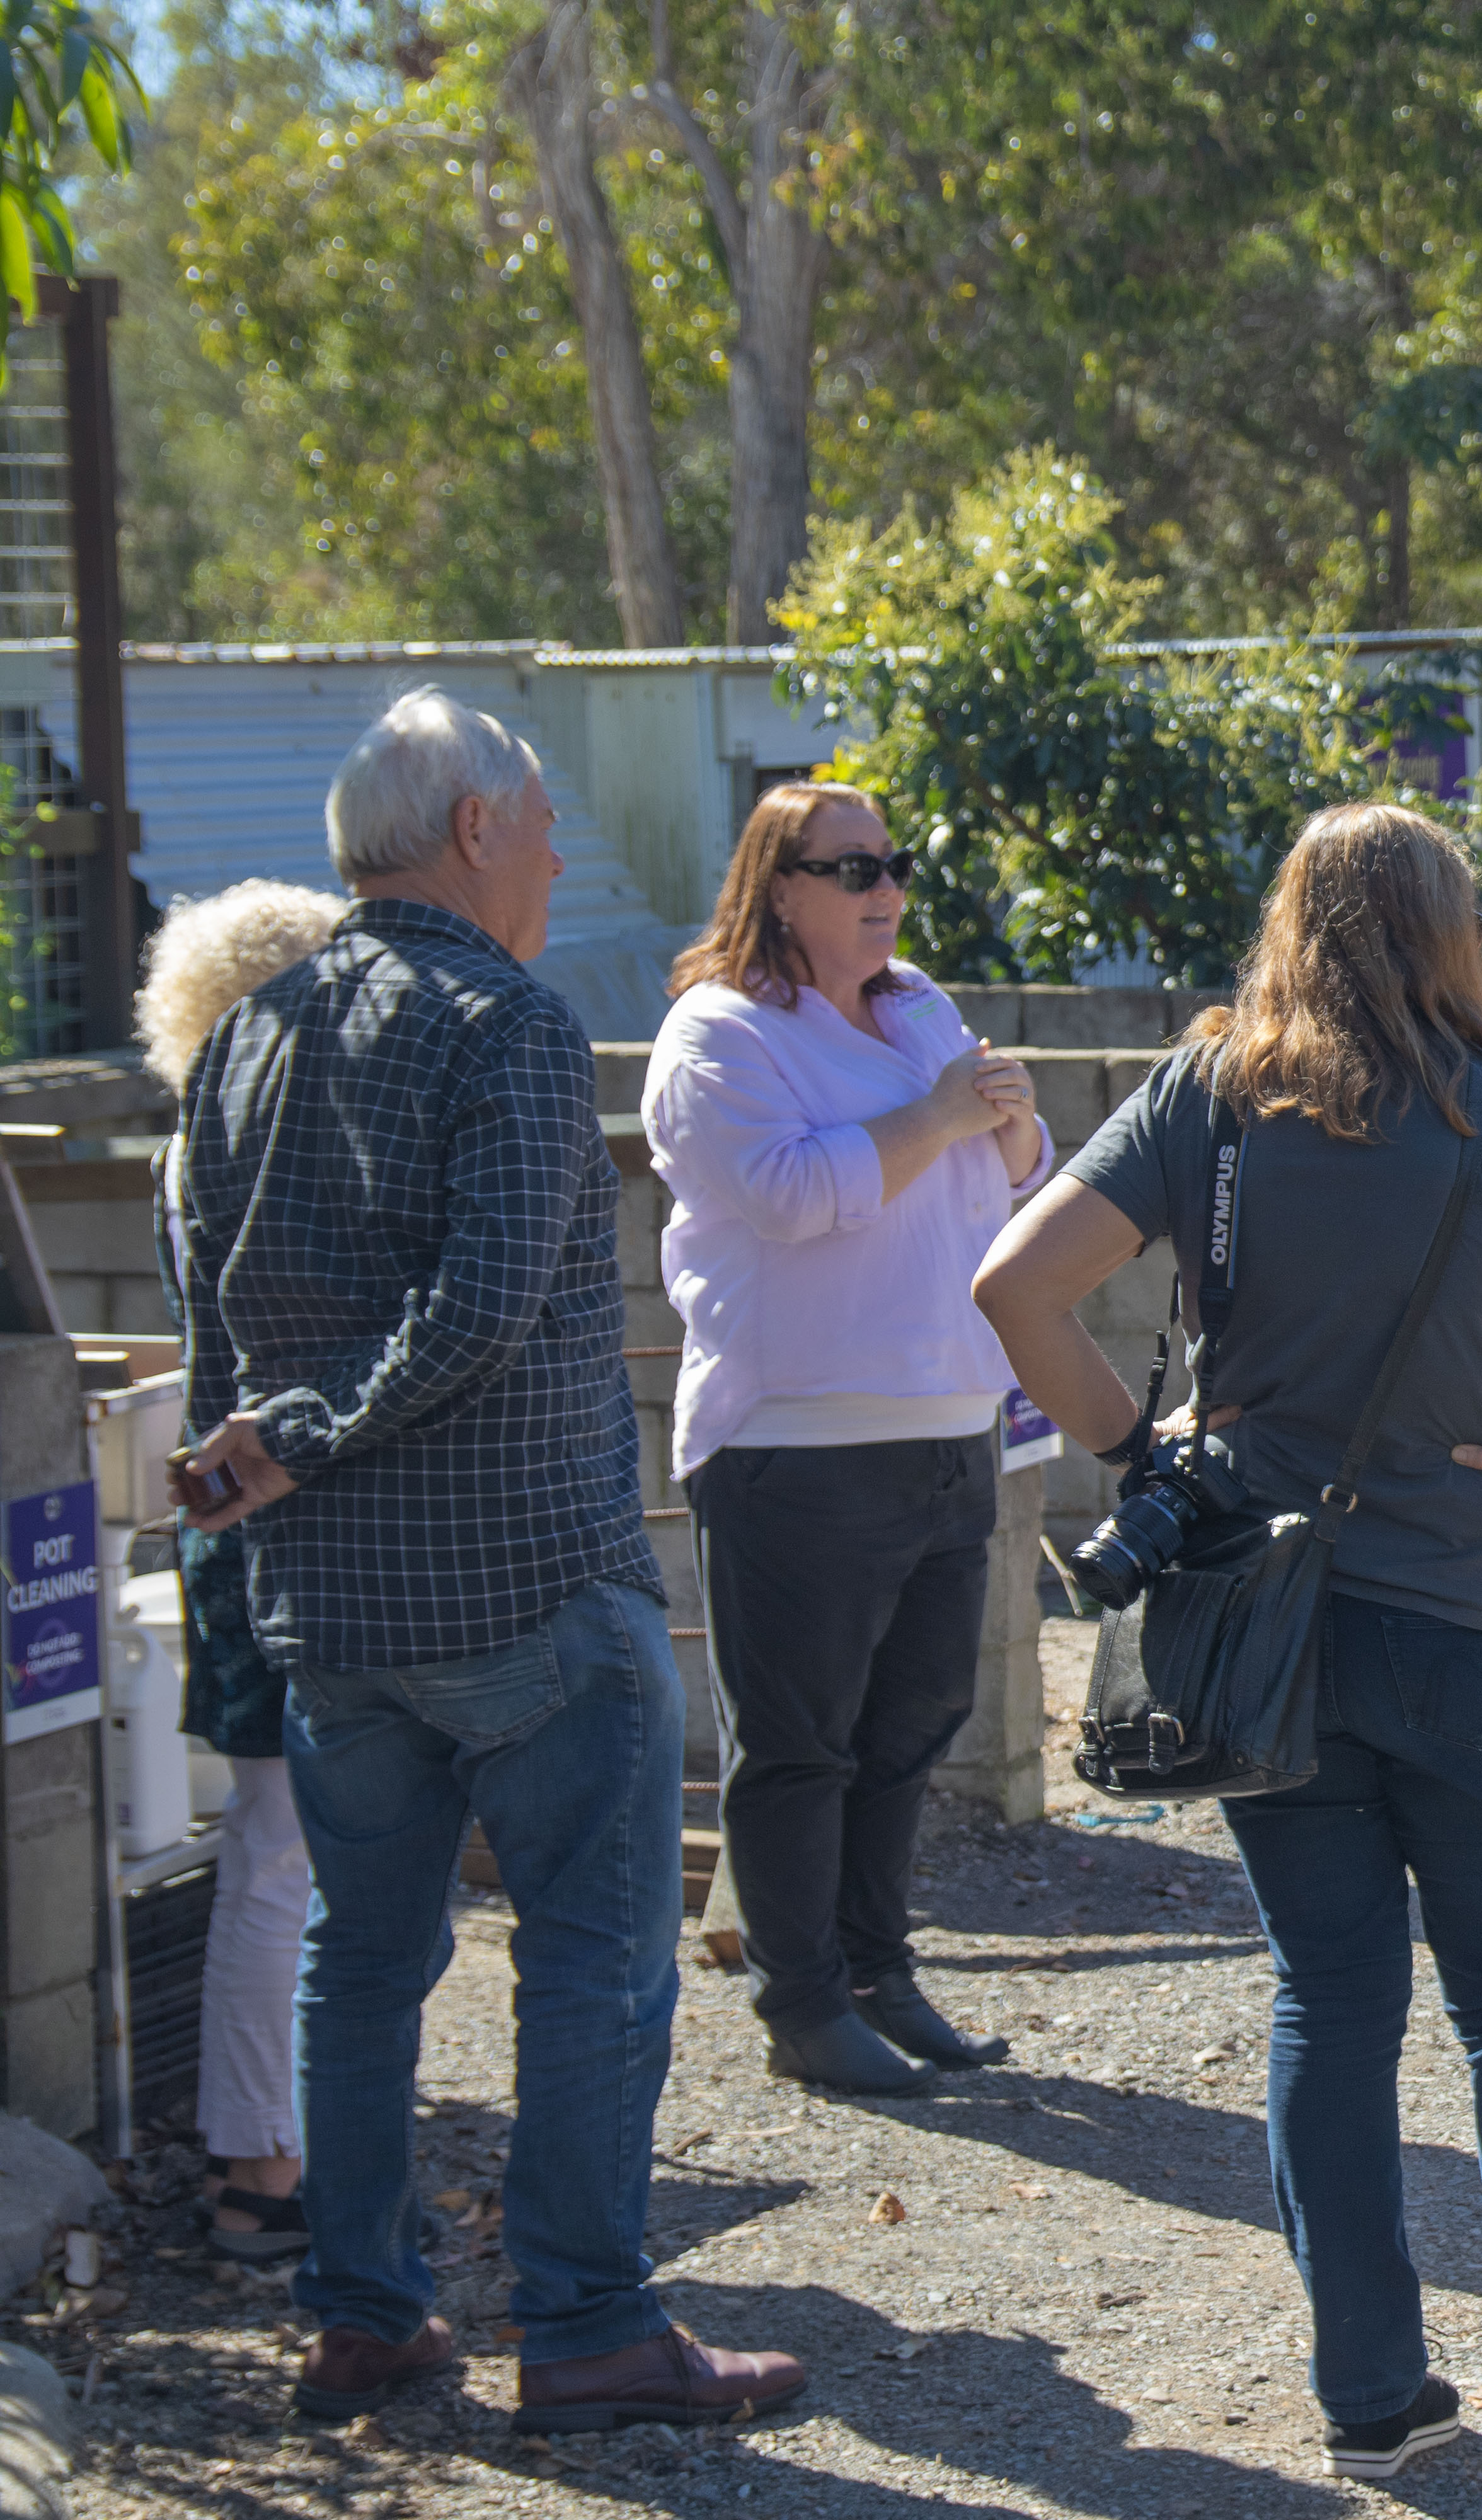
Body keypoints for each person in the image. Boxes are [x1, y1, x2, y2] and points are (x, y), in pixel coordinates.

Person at [972, 803, 1482, 2490]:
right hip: (1477, 1615)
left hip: (1264, 1628)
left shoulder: (1209, 1099)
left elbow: (1015, 1288)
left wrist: (1144, 1457)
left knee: (1327, 1999)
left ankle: (1371, 2385)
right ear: (1450, 936)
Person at [175, 689, 803, 2432]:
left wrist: (265, 1453)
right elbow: (484, 1306)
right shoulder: (507, 1027)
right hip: (524, 1585)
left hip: (334, 1609)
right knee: (593, 1961)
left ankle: (367, 2312)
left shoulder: (248, 1035)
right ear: (470, 831)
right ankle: (589, 2325)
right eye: (533, 824)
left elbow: (208, 1300)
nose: (544, 856)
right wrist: (298, 1435)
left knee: (362, 1964)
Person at [644, 782, 1054, 2099]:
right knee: (801, 1738)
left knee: (913, 1723)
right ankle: (802, 1999)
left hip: (948, 1418)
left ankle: (880, 1973)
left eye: (896, 862)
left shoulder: (919, 1001)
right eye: (852, 866)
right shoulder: (718, 1033)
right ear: (779, 887)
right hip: (799, 1439)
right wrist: (942, 1112)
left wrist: (1013, 1118)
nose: (885, 887)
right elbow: (793, 1194)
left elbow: (1011, 1178)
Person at [136, 878, 346, 2266]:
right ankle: (259, 2161)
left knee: (284, 1857)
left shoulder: (194, 1140)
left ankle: (273, 2151)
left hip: (239, 1528)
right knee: (278, 1859)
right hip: (273, 1529)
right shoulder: (256, 1146)